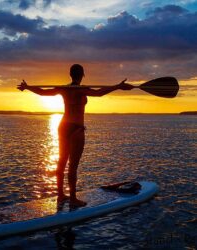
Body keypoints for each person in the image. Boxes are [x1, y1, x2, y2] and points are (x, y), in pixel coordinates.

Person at [17, 64, 133, 207]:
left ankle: (60, 195)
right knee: (73, 166)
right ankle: (72, 199)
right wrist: (117, 86)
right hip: (76, 128)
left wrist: (28, 87)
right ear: (82, 75)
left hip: (63, 126)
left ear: (70, 74)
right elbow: (99, 93)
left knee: (61, 162)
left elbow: (42, 92)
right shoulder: (82, 89)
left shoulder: (64, 89)